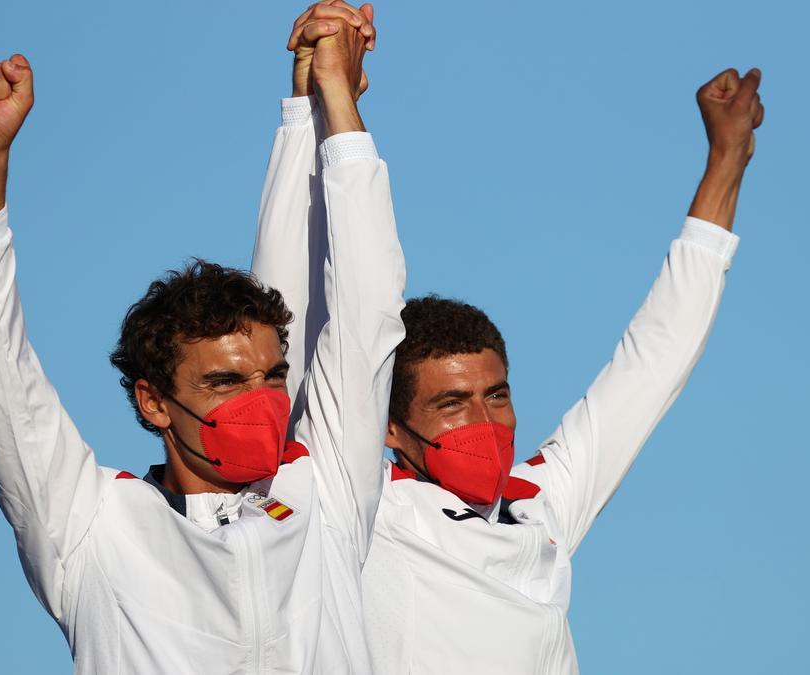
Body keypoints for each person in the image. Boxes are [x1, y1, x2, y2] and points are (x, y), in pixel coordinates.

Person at [254, 11, 764, 669]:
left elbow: (654, 359)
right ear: (389, 427)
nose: (484, 421)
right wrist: (315, 107)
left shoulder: (539, 506)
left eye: (495, 395)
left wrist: (726, 158)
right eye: (452, 403)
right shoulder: (360, 510)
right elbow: (297, 324)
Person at [0, 8, 400, 673]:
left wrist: (332, 106)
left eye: (272, 377)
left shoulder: (322, 493)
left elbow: (370, 308)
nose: (263, 401)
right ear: (153, 401)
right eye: (223, 382)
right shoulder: (95, 526)